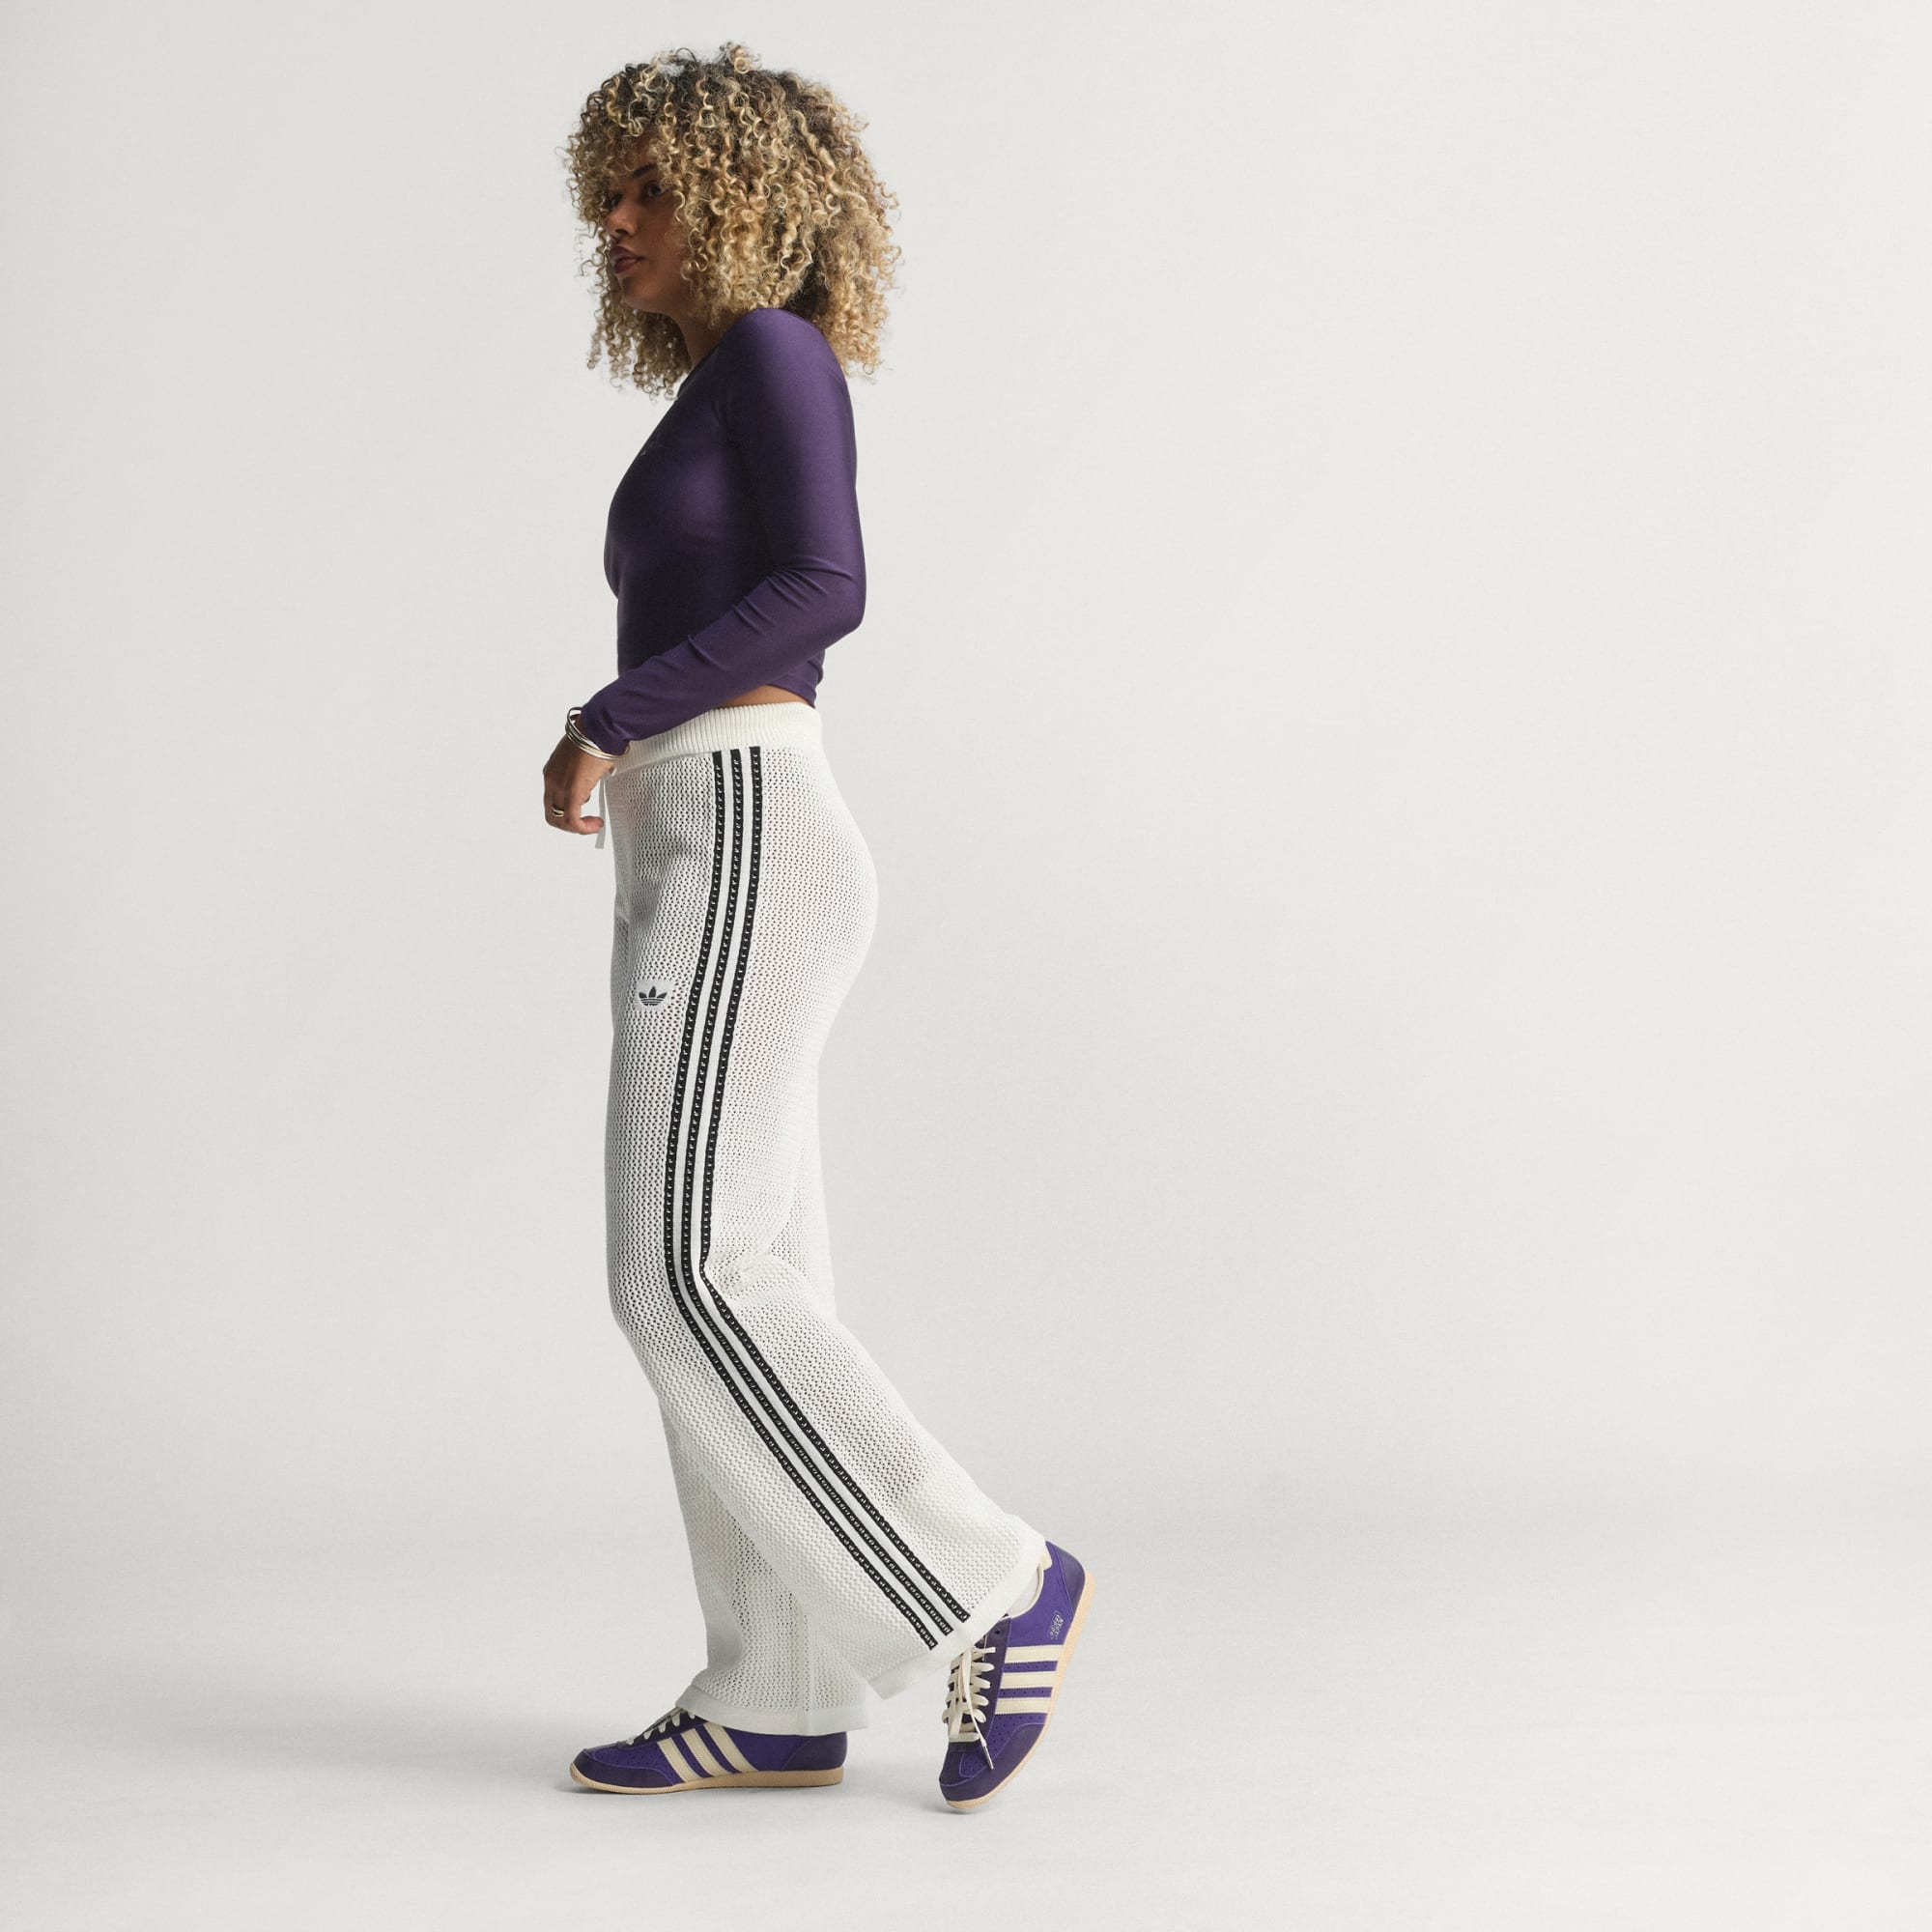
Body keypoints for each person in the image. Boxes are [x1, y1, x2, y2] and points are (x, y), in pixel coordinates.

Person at [539, 43, 1094, 1812]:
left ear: (737, 197)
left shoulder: (775, 354)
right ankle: (774, 1691)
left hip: (743, 831)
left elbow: (826, 585)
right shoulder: (717, 381)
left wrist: (610, 716)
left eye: (647, 189)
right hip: (697, 834)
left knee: (680, 1272)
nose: (614, 219)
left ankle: (990, 1583)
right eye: (606, 190)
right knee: (746, 1262)